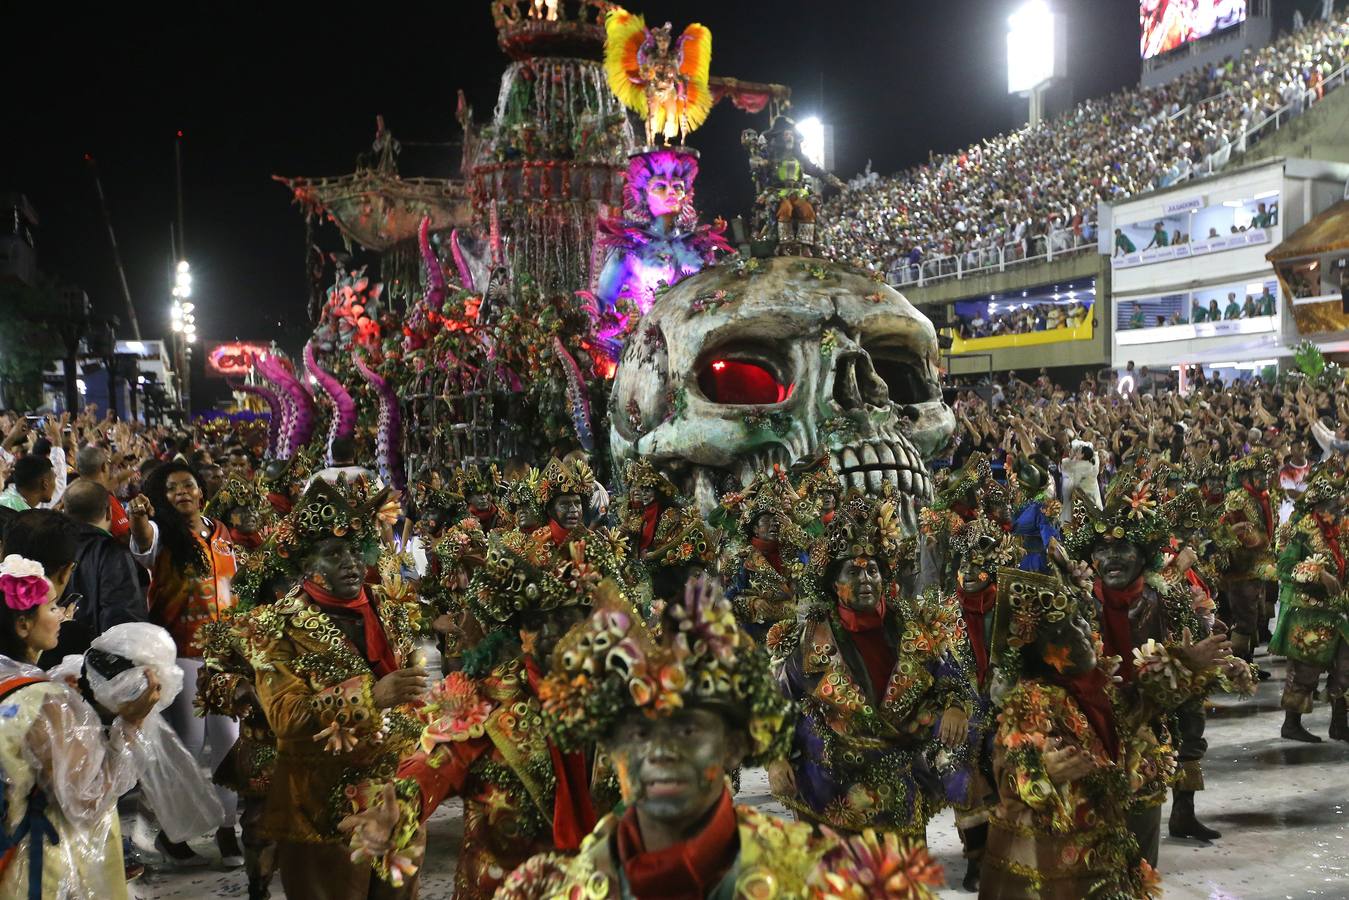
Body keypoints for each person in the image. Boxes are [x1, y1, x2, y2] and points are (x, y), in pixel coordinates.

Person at [497, 576, 943, 899]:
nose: (660, 752)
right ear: (608, 746)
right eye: (638, 731)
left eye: (688, 729)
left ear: (734, 743)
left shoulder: (826, 881)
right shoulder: (545, 888)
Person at [979, 567, 1240, 900]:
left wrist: (1184, 665)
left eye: (1082, 619)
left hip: (1106, 840)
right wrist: (1041, 771)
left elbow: (1137, 706)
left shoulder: (1095, 686)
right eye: (1068, 626)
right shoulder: (1032, 698)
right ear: (1042, 650)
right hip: (1054, 857)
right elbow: (1011, 759)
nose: (1086, 629)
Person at [247, 476, 426, 900]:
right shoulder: (274, 626)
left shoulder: (388, 605)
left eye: (353, 551)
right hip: (321, 806)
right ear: (308, 563)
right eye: (333, 553)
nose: (349, 563)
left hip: (395, 796)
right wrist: (372, 696)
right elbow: (286, 717)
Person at [0, 510, 161, 900]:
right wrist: (131, 724)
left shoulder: (26, 684)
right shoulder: (48, 703)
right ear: (23, 623)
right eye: (55, 607)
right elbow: (87, 799)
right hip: (40, 866)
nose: (63, 615)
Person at [129, 460, 242, 865]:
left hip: (225, 656)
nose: (182, 492)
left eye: (188, 485)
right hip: (183, 657)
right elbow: (142, 540)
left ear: (200, 491)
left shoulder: (220, 533)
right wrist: (139, 518)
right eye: (173, 488)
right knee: (188, 749)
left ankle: (229, 830)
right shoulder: (161, 535)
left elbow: (232, 584)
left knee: (230, 746)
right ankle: (170, 833)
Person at [1270, 468, 1349, 743]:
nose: (1337, 512)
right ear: (1317, 507)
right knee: (1305, 670)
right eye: (1331, 507)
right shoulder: (1300, 531)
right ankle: (1291, 724)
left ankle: (1339, 724)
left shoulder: (1339, 531)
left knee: (1345, 667)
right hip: (1306, 610)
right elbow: (1284, 567)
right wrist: (1317, 574)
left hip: (1338, 610)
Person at [40, 479, 146, 664]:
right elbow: (125, 621)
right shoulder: (113, 553)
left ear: (65, 509)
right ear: (108, 512)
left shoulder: (45, 544)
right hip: (97, 669)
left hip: (50, 663)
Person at [75, 445, 133, 540]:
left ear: (78, 468)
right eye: (107, 463)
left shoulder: (75, 496)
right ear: (103, 467)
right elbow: (126, 538)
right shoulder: (104, 501)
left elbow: (113, 482)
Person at [307, 436, 381, 489]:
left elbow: (304, 505)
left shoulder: (316, 478)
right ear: (354, 454)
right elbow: (386, 504)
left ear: (332, 454)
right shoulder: (370, 476)